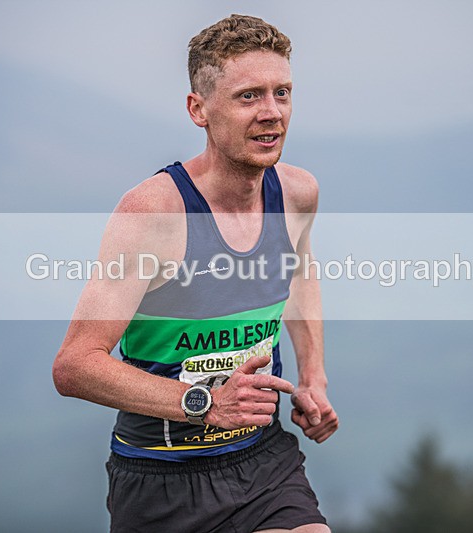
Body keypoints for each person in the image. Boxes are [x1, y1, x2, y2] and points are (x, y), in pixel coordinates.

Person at [53, 13, 338, 533]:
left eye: (283, 93)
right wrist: (205, 402)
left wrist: (313, 377)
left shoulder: (297, 194)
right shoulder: (152, 213)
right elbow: (74, 366)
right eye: (249, 96)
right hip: (160, 479)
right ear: (198, 109)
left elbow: (298, 274)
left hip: (262, 464)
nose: (272, 113)